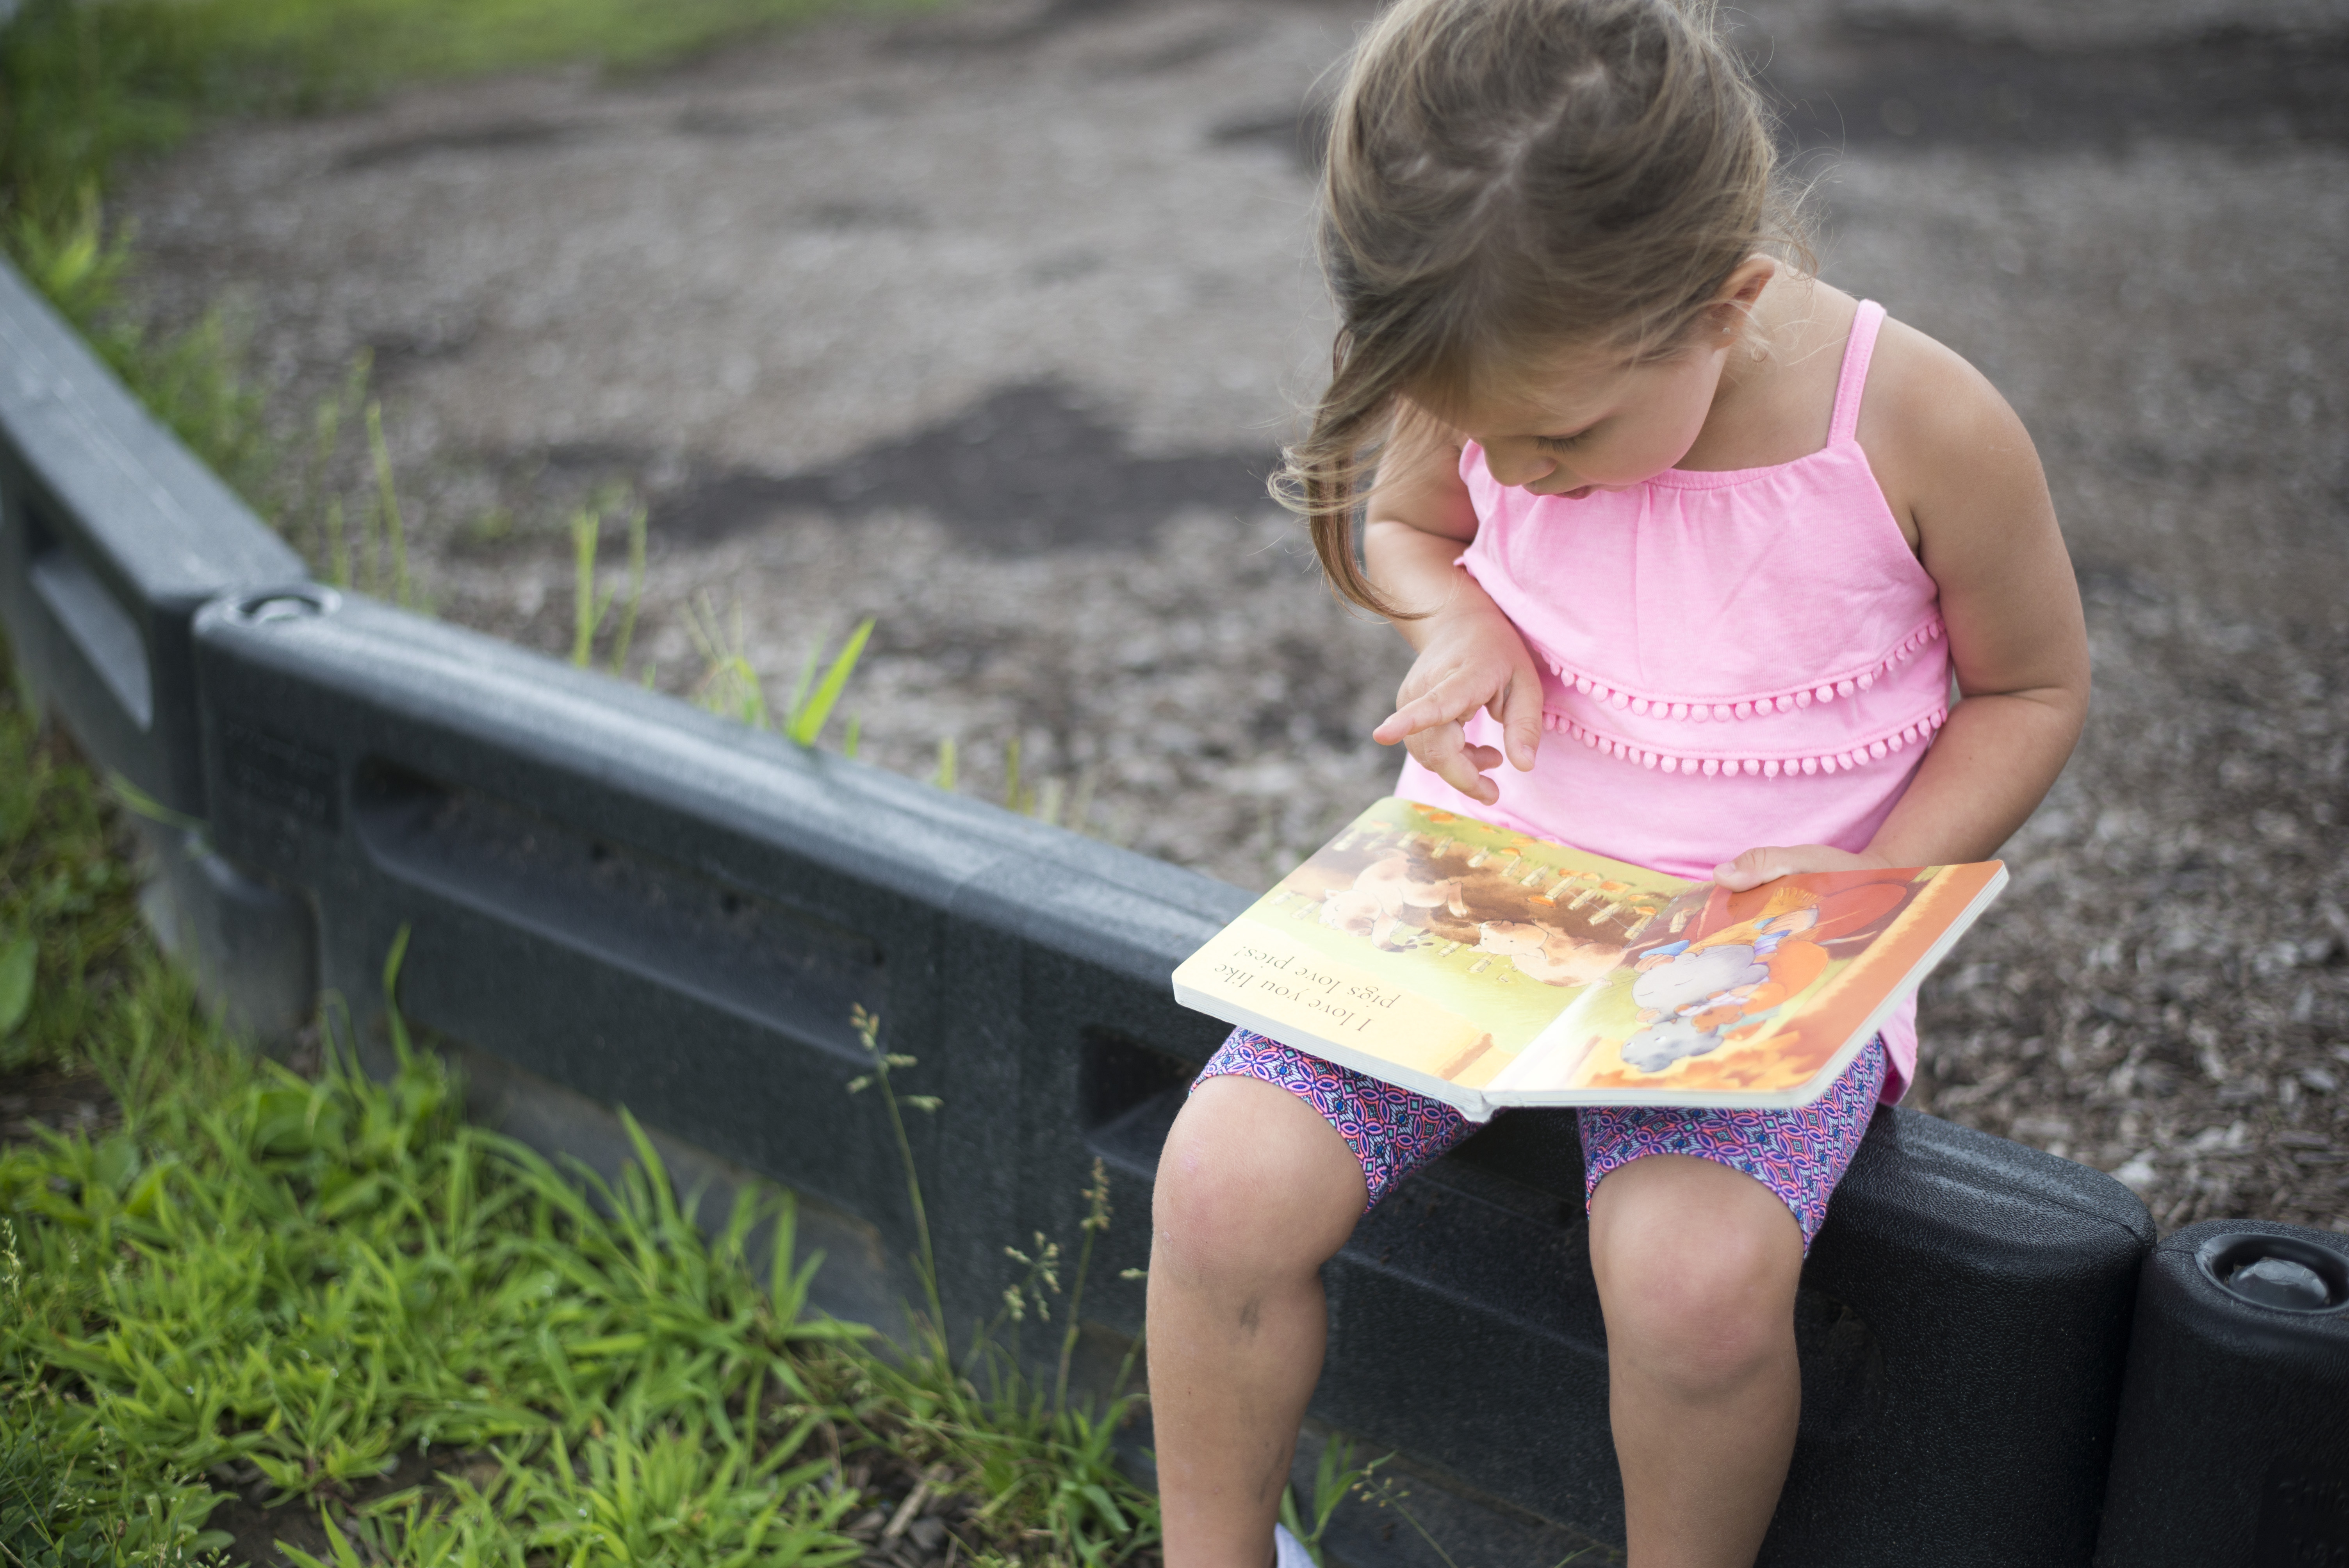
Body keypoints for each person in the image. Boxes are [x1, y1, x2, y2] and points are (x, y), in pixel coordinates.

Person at [1144, 0, 2090, 1564]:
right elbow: (1411, 531)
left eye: (1557, 439)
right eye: (1479, 434)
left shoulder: (1917, 423)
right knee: (1221, 1180)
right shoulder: (1491, 362)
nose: (1507, 476)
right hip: (1489, 888)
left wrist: (1852, 895)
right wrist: (1459, 621)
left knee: (1690, 1284)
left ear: (1724, 305)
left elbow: (2032, 689)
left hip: (1750, 958)